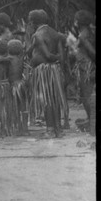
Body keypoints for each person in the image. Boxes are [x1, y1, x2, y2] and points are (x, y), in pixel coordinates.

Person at [27, 9, 67, 138]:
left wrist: (42, 57)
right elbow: (61, 57)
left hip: (44, 71)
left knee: (47, 100)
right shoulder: (56, 34)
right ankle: (58, 130)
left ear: (33, 22)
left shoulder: (38, 35)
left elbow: (48, 55)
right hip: (54, 70)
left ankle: (50, 130)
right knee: (54, 99)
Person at [73, 10, 95, 126]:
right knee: (86, 94)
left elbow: (92, 52)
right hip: (86, 66)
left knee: (86, 95)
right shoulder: (89, 32)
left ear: (78, 22)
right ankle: (90, 118)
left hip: (86, 67)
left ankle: (92, 121)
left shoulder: (83, 36)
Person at [6, 39, 29, 136]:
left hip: (13, 86)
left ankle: (17, 127)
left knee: (14, 107)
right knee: (23, 107)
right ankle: (25, 128)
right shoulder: (20, 59)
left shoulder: (8, 59)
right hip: (21, 84)